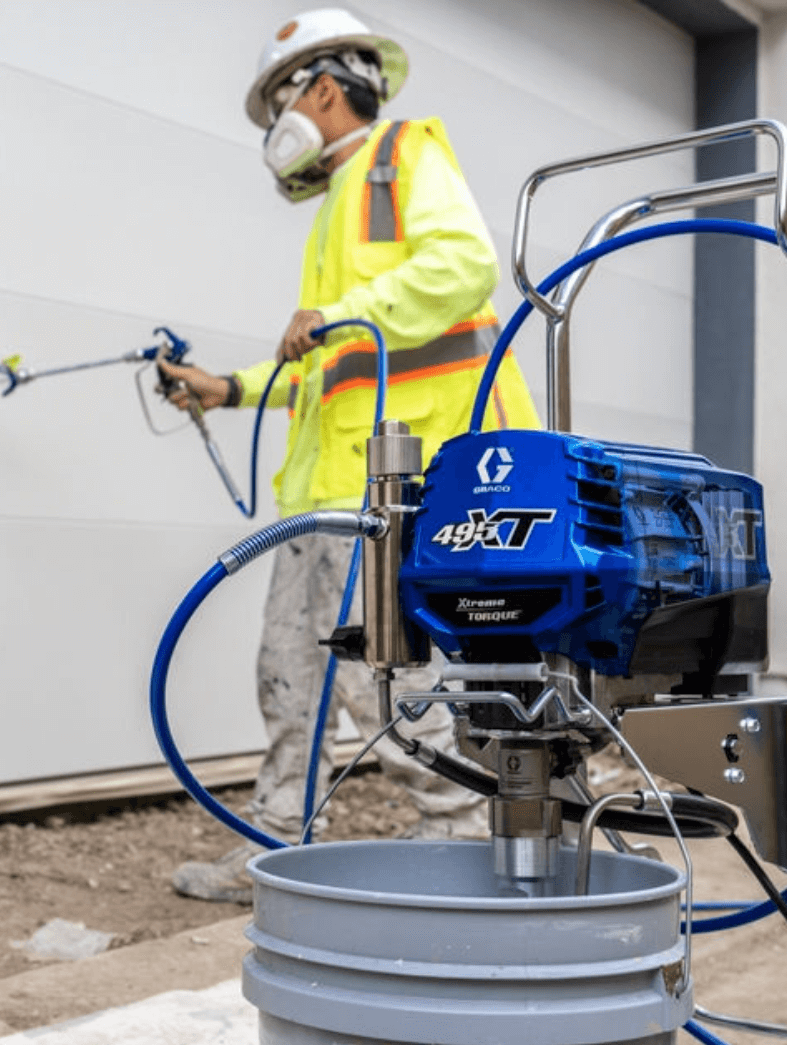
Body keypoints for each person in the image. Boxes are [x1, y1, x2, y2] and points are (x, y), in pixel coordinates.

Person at [158, 8, 539, 903]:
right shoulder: (341, 205)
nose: (275, 129)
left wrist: (335, 314)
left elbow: (463, 266)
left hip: (397, 484)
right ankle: (275, 847)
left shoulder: (403, 157)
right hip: (332, 489)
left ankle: (460, 845)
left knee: (390, 680)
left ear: (322, 91)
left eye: (278, 104)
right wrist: (232, 388)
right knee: (291, 676)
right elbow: (336, 365)